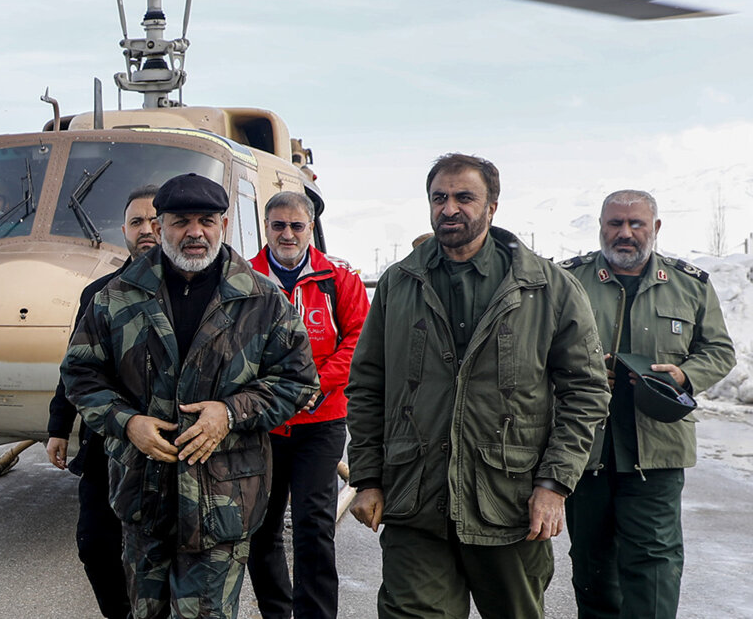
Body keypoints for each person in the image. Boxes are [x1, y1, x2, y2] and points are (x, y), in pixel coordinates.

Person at [345, 153, 610, 619]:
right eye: (439, 198)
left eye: (464, 197)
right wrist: (367, 478)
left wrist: (554, 484)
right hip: (416, 501)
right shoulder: (399, 284)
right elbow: (368, 384)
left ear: (492, 207)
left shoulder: (547, 288)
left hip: (510, 505)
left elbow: (585, 392)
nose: (450, 209)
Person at [61, 173, 319, 619]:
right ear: (160, 228)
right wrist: (127, 422)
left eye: (207, 220)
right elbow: (80, 375)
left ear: (223, 224)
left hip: (224, 500)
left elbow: (299, 381)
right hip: (145, 496)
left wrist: (231, 412)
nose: (195, 232)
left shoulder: (261, 299)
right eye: (182, 221)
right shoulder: (116, 298)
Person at [560, 190, 735, 619]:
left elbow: (718, 350)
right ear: (601, 227)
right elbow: (536, 351)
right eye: (614, 224)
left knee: (654, 565)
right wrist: (580, 369)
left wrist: (685, 376)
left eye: (635, 224)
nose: (624, 233)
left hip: (656, 449)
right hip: (584, 450)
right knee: (591, 564)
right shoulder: (566, 281)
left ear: (654, 228)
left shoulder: (688, 284)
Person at [247, 191, 369, 619]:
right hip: (263, 424)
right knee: (260, 531)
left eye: (297, 225)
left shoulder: (339, 277)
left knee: (313, 527)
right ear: (266, 227)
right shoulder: (245, 277)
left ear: (311, 227)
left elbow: (360, 339)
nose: (288, 234)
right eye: (278, 225)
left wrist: (318, 382)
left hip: (321, 421)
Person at [46, 184, 160, 619]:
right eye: (136, 222)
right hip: (106, 443)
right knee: (95, 545)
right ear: (124, 230)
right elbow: (77, 365)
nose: (146, 229)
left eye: (154, 220)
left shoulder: (189, 290)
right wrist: (59, 426)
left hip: (167, 447)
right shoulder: (99, 292)